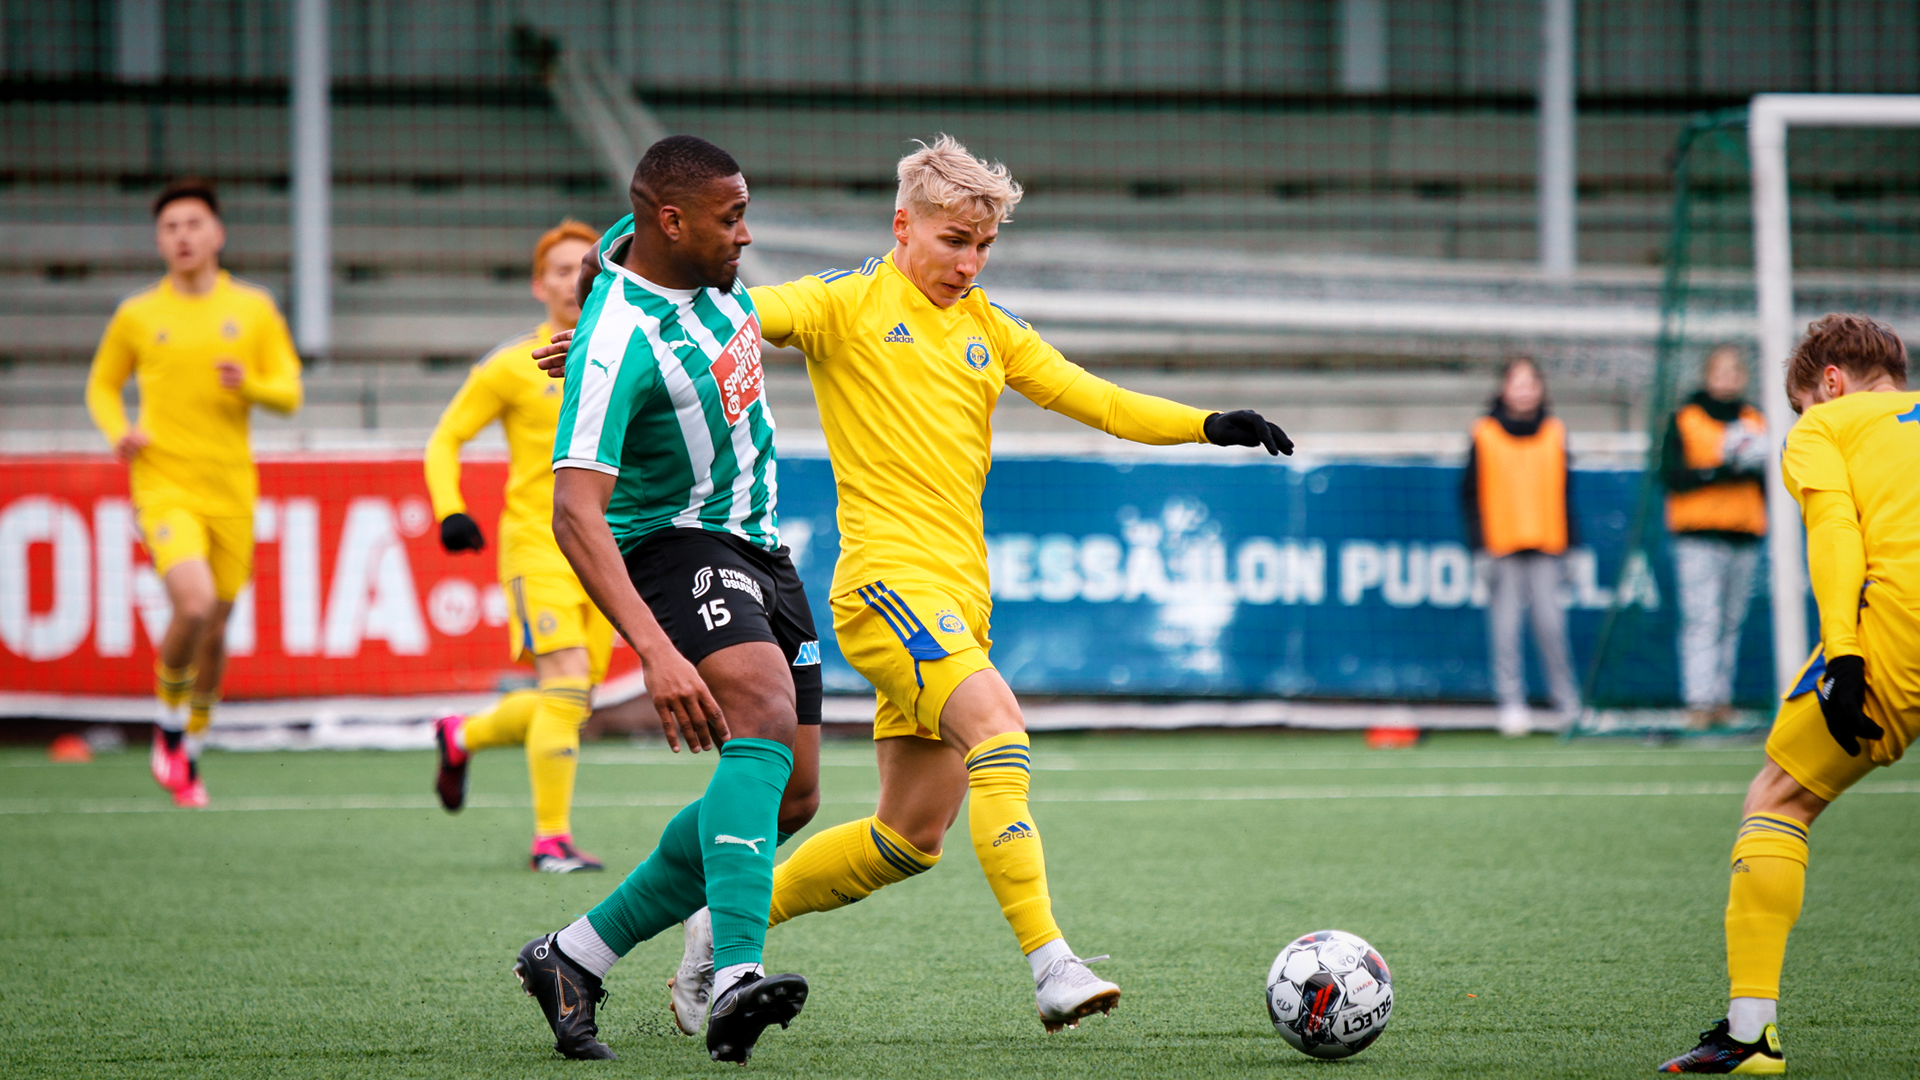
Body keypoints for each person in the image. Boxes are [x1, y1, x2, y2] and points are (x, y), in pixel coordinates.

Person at [546, 134, 1294, 1034]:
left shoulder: (990, 328)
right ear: (903, 226)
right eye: (953, 241)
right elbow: (721, 315)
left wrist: (1208, 424)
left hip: (961, 598)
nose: (968, 264)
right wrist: (603, 324)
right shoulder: (844, 304)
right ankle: (1052, 963)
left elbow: (1094, 398)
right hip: (886, 589)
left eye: (983, 246)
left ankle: (727, 916)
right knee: (1000, 732)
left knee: (907, 838)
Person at [510, 136, 820, 1065]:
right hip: (677, 543)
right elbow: (574, 513)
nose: (747, 234)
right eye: (733, 218)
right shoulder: (617, 344)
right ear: (676, 223)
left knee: (791, 798)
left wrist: (590, 309)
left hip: (762, 544)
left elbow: (612, 248)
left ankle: (574, 955)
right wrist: (655, 651)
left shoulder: (665, 253)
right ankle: (733, 977)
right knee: (761, 712)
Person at [1659, 314, 1917, 1074]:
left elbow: (1836, 530)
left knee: (1778, 800)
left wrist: (1843, 655)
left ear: (1829, 383)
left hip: (1899, 626)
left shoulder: (1825, 427)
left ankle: (1750, 1035)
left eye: (1803, 403)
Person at [85, 178, 303, 808]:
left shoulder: (253, 308)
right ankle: (168, 722)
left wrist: (250, 384)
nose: (182, 236)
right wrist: (118, 431)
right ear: (159, 241)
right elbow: (101, 385)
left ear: (217, 234)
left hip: (231, 488)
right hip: (163, 483)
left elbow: (289, 391)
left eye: (193, 224)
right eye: (170, 227)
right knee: (196, 603)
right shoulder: (137, 315)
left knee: (216, 628)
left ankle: (192, 743)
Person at [424, 220, 621, 873]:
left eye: (586, 267)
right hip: (538, 543)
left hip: (608, 550)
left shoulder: (627, 354)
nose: (574, 280)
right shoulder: (512, 364)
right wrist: (451, 510)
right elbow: (445, 438)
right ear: (540, 285)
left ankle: (462, 734)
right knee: (565, 687)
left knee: (573, 699)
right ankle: (550, 840)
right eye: (561, 270)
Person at [1461, 356, 1581, 737]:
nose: (1524, 391)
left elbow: (1566, 492)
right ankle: (1511, 704)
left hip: (1547, 545)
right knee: (1506, 631)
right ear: (1504, 389)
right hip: (1502, 546)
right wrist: (1479, 547)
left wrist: (1574, 547)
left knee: (1552, 627)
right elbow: (1469, 495)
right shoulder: (1485, 432)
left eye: (1531, 383)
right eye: (1517, 383)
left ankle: (1567, 703)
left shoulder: (1555, 432)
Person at [1661, 344, 1769, 729]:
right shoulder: (1686, 418)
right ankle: (1699, 700)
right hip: (1698, 535)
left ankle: (1721, 699)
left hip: (1743, 534)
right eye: (1719, 372)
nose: (1727, 380)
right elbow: (1671, 475)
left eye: (1733, 372)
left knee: (1731, 621)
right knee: (1702, 619)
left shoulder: (1755, 420)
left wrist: (1751, 466)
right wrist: (1719, 470)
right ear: (1707, 376)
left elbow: (1772, 480)